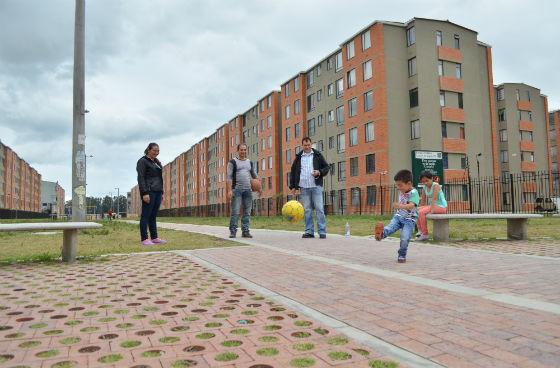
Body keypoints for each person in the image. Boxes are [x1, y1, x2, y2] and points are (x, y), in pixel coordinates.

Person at [374, 169, 420, 263]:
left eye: (400, 185)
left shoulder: (414, 192)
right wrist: (399, 208)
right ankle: (381, 234)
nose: (398, 188)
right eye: (397, 185)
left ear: (409, 183)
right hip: (398, 216)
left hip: (409, 220)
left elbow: (411, 205)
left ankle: (402, 255)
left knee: (405, 238)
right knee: (390, 227)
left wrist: (400, 206)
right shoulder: (402, 191)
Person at [289, 137, 330, 239]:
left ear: (311, 145)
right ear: (302, 145)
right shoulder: (298, 157)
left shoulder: (317, 155)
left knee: (319, 209)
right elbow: (293, 172)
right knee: (307, 210)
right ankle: (309, 231)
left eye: (308, 145)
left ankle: (322, 231)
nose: (307, 147)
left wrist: (319, 172)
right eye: (305, 145)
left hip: (316, 186)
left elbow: (326, 167)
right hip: (304, 187)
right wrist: (293, 186)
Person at [136, 142, 167, 246]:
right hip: (148, 192)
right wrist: (144, 193)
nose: (156, 153)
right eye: (154, 150)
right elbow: (141, 178)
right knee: (145, 215)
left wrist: (161, 192)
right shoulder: (142, 161)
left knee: (153, 216)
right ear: (149, 150)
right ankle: (144, 238)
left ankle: (154, 237)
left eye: (158, 151)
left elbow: (159, 178)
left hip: (157, 191)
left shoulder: (157, 162)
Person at [227, 143, 259, 238]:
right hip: (236, 190)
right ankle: (233, 231)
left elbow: (254, 175)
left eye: (245, 150)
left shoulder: (249, 162)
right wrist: (229, 190)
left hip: (248, 190)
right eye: (241, 150)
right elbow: (229, 177)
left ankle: (245, 231)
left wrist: (259, 187)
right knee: (235, 211)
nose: (243, 152)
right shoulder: (232, 162)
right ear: (238, 150)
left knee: (247, 212)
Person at [416, 170, 447, 241]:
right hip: (433, 206)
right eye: (423, 182)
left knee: (421, 212)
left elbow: (434, 199)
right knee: (416, 210)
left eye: (427, 180)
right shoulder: (424, 188)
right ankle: (420, 230)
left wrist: (431, 210)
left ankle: (425, 234)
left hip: (441, 207)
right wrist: (420, 208)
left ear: (432, 179)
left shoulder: (436, 185)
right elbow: (423, 201)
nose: (425, 183)